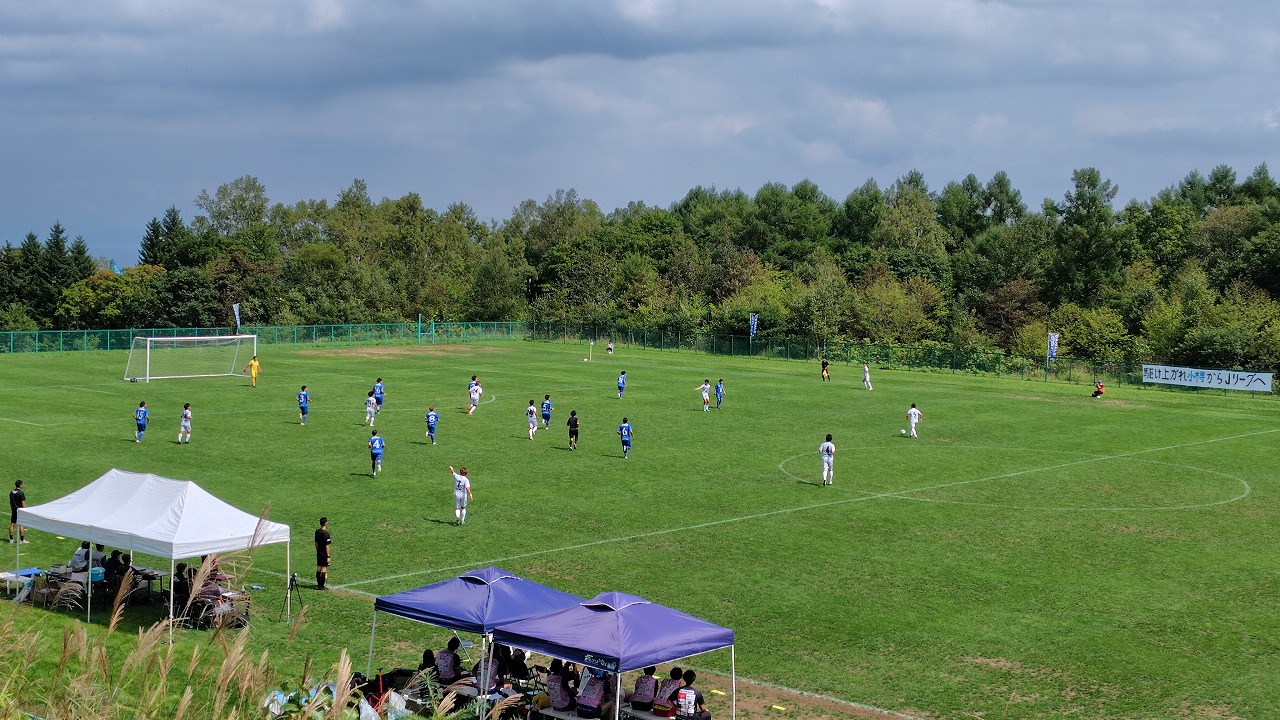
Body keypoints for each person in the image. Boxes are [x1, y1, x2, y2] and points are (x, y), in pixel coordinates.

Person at [315, 517, 331, 590]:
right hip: (324, 554)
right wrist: (328, 556)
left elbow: (316, 543)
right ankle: (322, 586)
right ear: (325, 523)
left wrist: (317, 550)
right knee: (324, 569)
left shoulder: (317, 532)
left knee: (318, 568)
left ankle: (318, 585)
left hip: (319, 552)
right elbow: (327, 546)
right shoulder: (326, 534)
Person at [9, 480, 26, 544]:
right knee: (21, 524)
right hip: (20, 510)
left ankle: (11, 539)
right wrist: (25, 510)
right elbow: (23, 503)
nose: (23, 485)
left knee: (12, 523)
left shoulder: (11, 492)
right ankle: (21, 540)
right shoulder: (21, 493)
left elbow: (10, 501)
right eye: (22, 484)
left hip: (14, 510)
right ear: (20, 485)